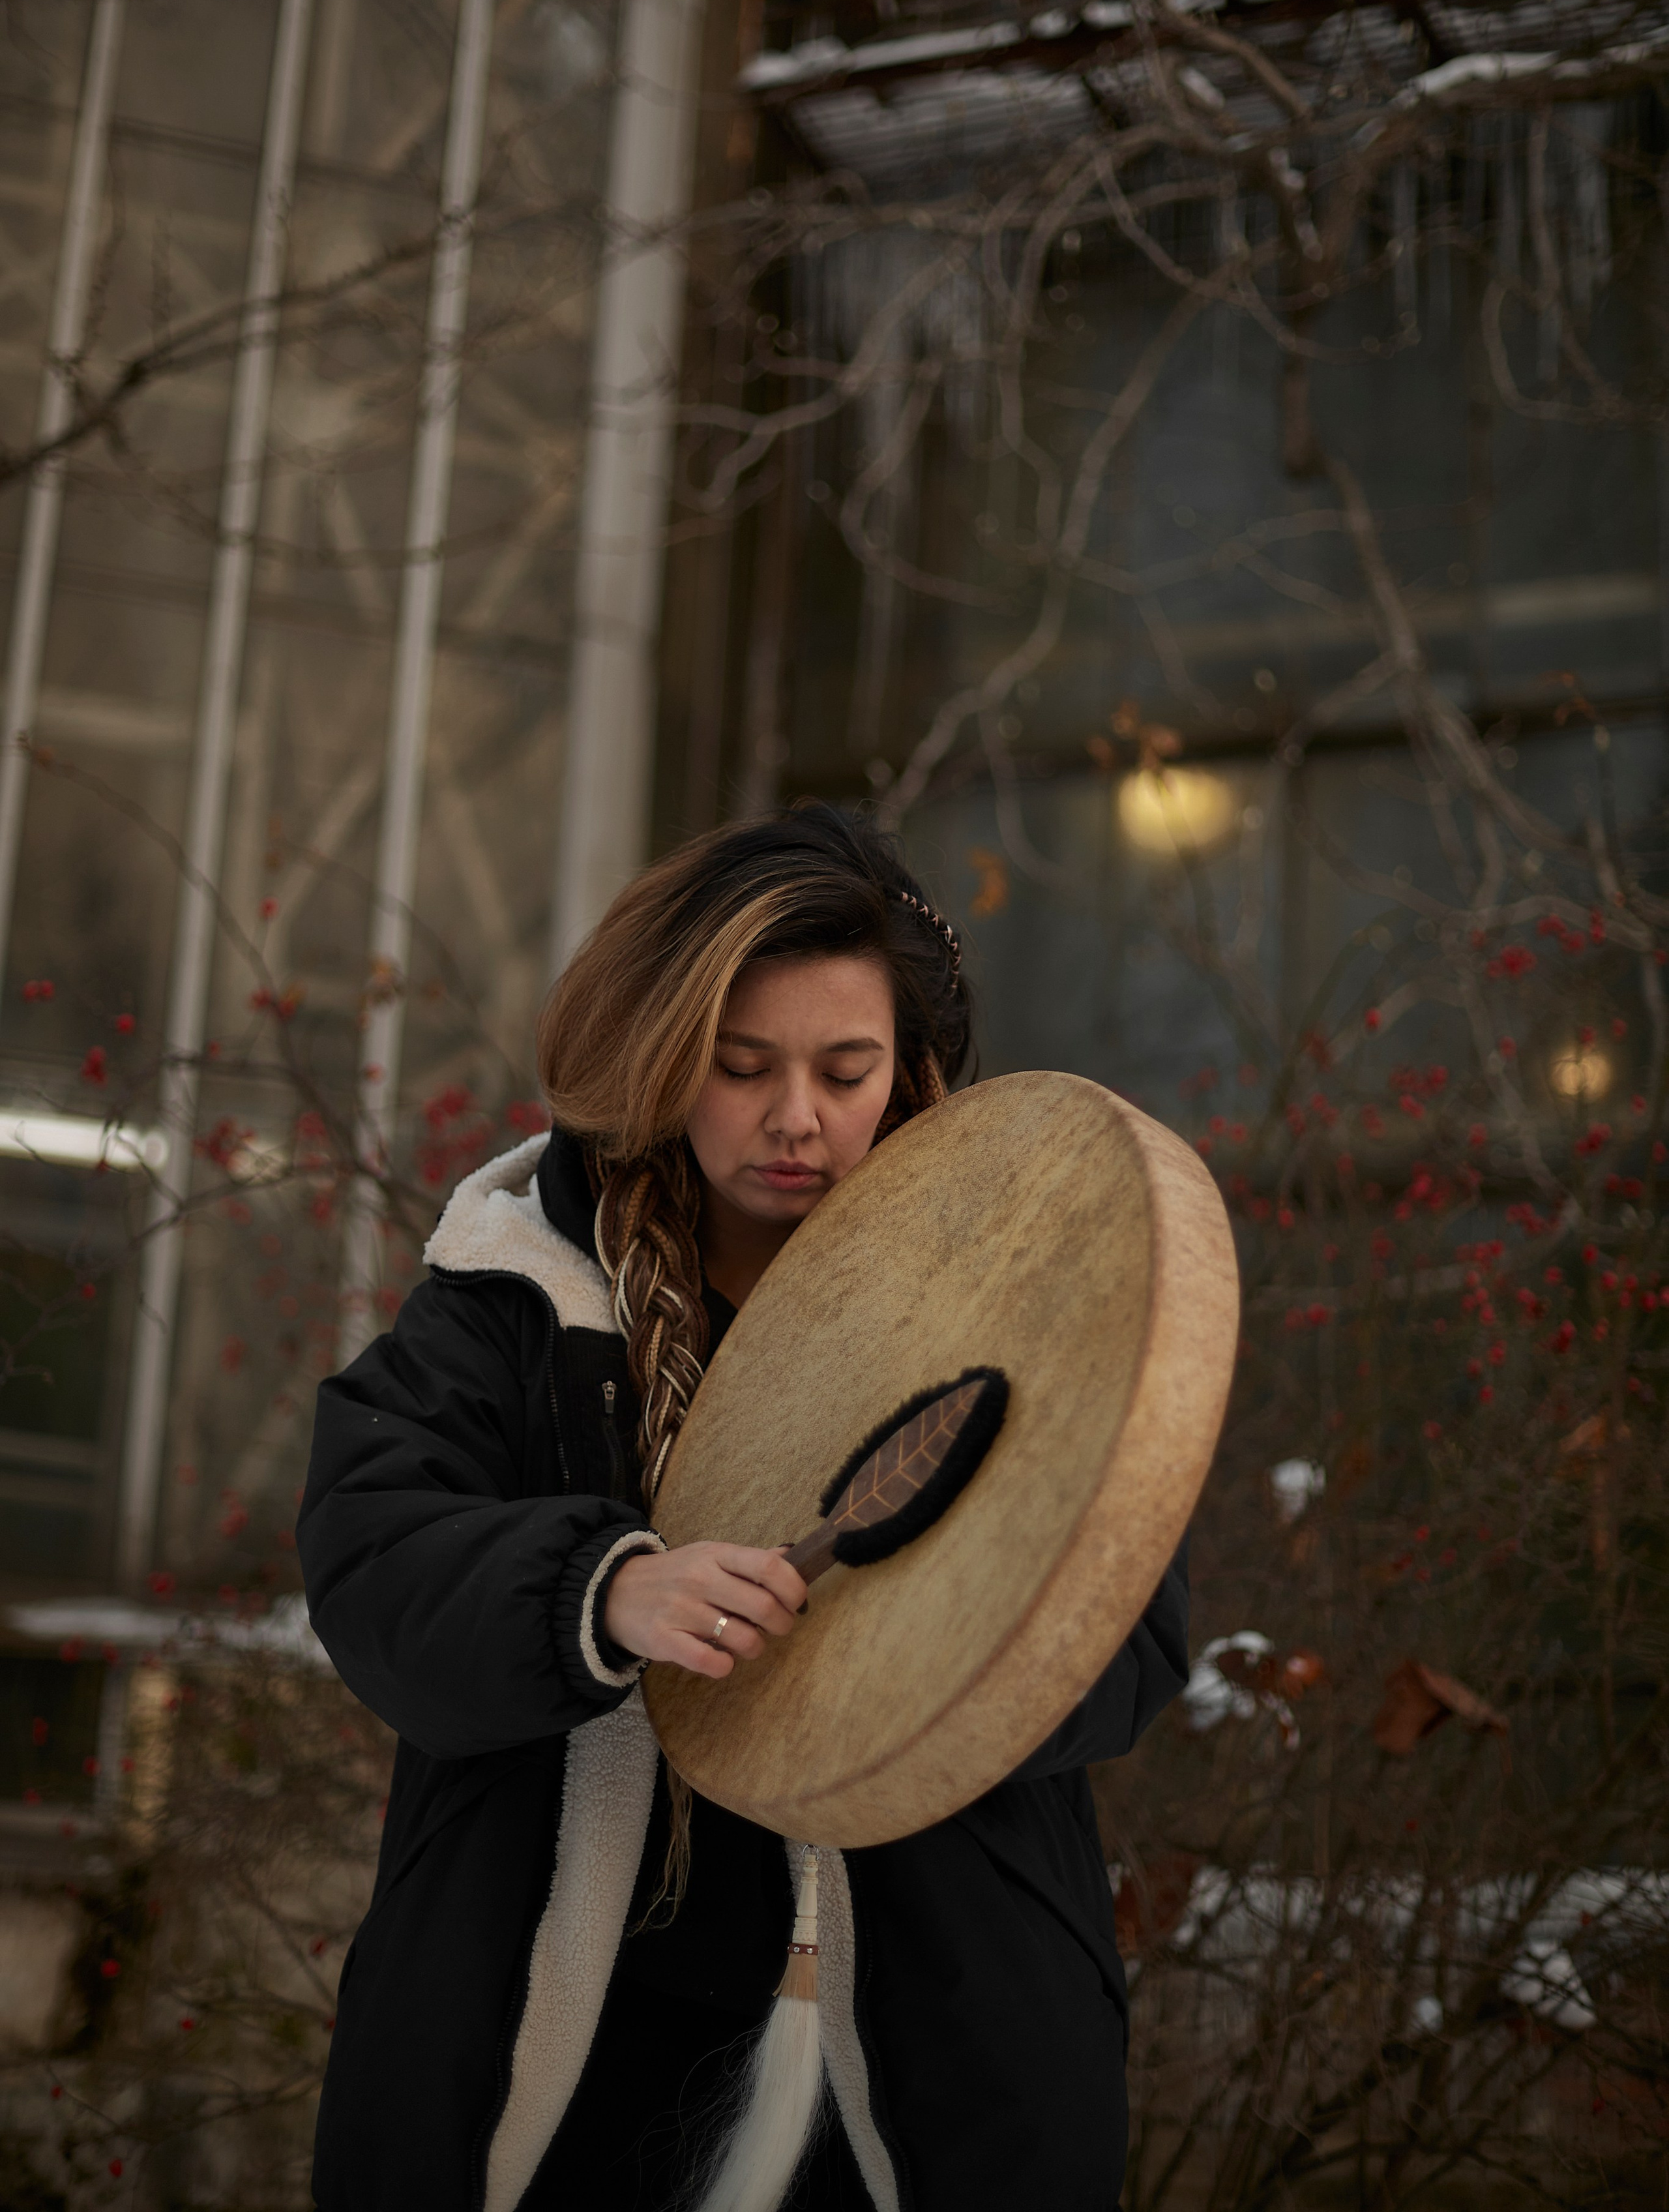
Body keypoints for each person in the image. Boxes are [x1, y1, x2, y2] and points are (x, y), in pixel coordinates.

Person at [299, 805, 1189, 2212]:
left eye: (845, 1070)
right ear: (664, 1058)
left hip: (932, 2063)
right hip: (557, 2063)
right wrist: (599, 1593)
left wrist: (939, 1661)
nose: (796, 1118)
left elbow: (1136, 1635)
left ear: (911, 1073)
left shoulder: (1013, 1307)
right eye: (742, 1065)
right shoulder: (518, 1295)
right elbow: (372, 1551)